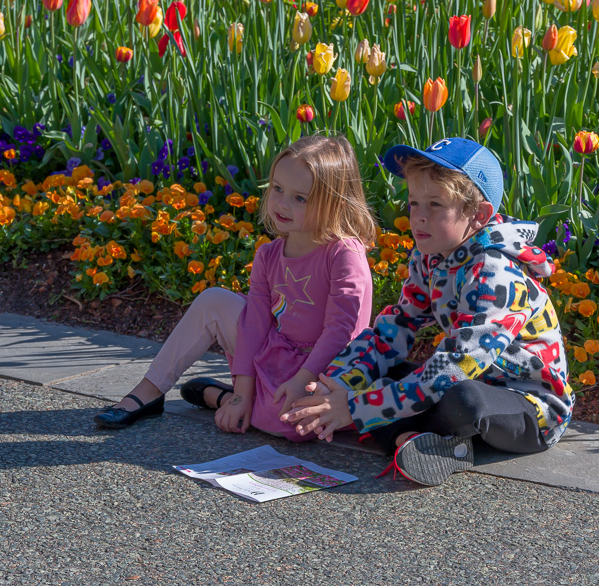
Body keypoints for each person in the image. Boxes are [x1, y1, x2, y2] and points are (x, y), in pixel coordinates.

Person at [282, 137, 574, 485]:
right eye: (414, 202)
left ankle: (412, 438)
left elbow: (459, 363)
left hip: (529, 408)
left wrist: (355, 406)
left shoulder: (496, 272)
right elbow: (393, 331)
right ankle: (416, 444)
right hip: (468, 379)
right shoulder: (430, 256)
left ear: (477, 215)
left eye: (435, 204)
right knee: (388, 377)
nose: (418, 216)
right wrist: (334, 385)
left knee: (461, 398)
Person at [94, 134, 376, 440]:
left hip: (326, 369)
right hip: (278, 353)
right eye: (278, 189)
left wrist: (300, 381)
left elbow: (341, 332)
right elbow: (255, 325)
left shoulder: (343, 254)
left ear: (333, 202)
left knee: (291, 425)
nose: (281, 203)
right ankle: (149, 392)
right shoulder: (269, 254)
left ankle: (217, 397)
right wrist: (244, 393)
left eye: (300, 198)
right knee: (214, 300)